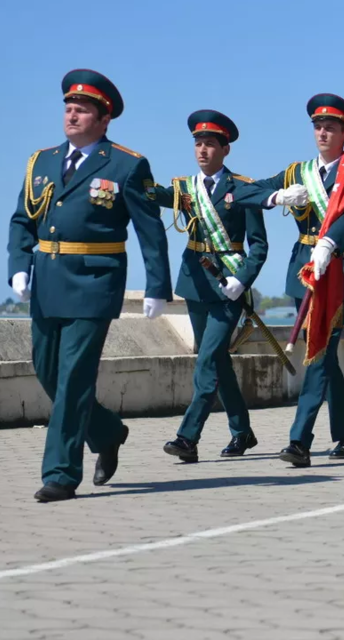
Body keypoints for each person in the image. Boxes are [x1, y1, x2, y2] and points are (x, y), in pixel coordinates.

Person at [7, 69, 171, 502]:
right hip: (47, 281)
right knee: (47, 371)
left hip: (96, 281)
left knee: (75, 377)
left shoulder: (126, 164)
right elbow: (22, 220)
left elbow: (150, 230)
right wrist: (18, 266)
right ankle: (107, 431)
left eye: (82, 110)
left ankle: (60, 473)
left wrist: (158, 286)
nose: (72, 115)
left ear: (104, 119)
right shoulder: (40, 162)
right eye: (68, 107)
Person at [232, 94, 344, 466]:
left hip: (339, 267)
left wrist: (330, 242)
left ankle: (300, 439)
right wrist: (277, 196)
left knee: (319, 352)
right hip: (303, 269)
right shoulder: (298, 173)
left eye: (331, 127)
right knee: (323, 354)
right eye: (318, 126)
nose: (323, 133)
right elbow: (241, 191)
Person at [153, 111, 268, 463]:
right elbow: (152, 194)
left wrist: (242, 279)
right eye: (198, 144)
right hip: (195, 282)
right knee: (216, 360)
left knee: (206, 360)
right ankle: (242, 432)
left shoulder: (243, 189)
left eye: (210, 145)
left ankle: (188, 437)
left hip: (228, 285)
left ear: (225, 149)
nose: (202, 151)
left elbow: (259, 245)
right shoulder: (185, 189)